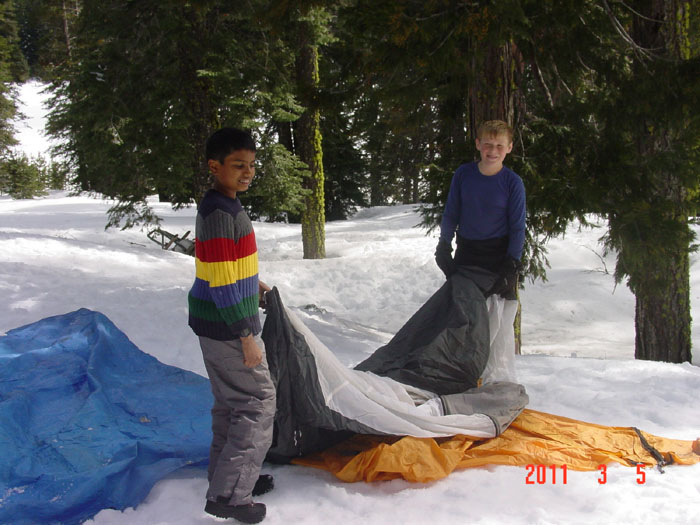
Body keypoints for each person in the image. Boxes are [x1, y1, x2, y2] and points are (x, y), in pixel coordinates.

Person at [188, 127, 276, 524]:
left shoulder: (223, 205)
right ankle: (230, 494)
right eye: (238, 165)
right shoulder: (221, 213)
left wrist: (254, 285)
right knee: (257, 402)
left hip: (216, 320)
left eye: (252, 165)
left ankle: (230, 477)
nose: (248, 172)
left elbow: (225, 268)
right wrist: (246, 335)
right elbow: (222, 283)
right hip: (228, 327)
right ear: (215, 166)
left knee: (231, 403)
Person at [435, 120, 526, 299]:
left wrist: (512, 263)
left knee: (496, 312)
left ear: (509, 147)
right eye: (488, 144)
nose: (493, 151)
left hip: (498, 259)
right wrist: (444, 245)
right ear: (478, 144)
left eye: (499, 146)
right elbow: (451, 213)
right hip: (466, 255)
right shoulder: (463, 174)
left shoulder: (513, 183)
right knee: (461, 308)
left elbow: (517, 227)